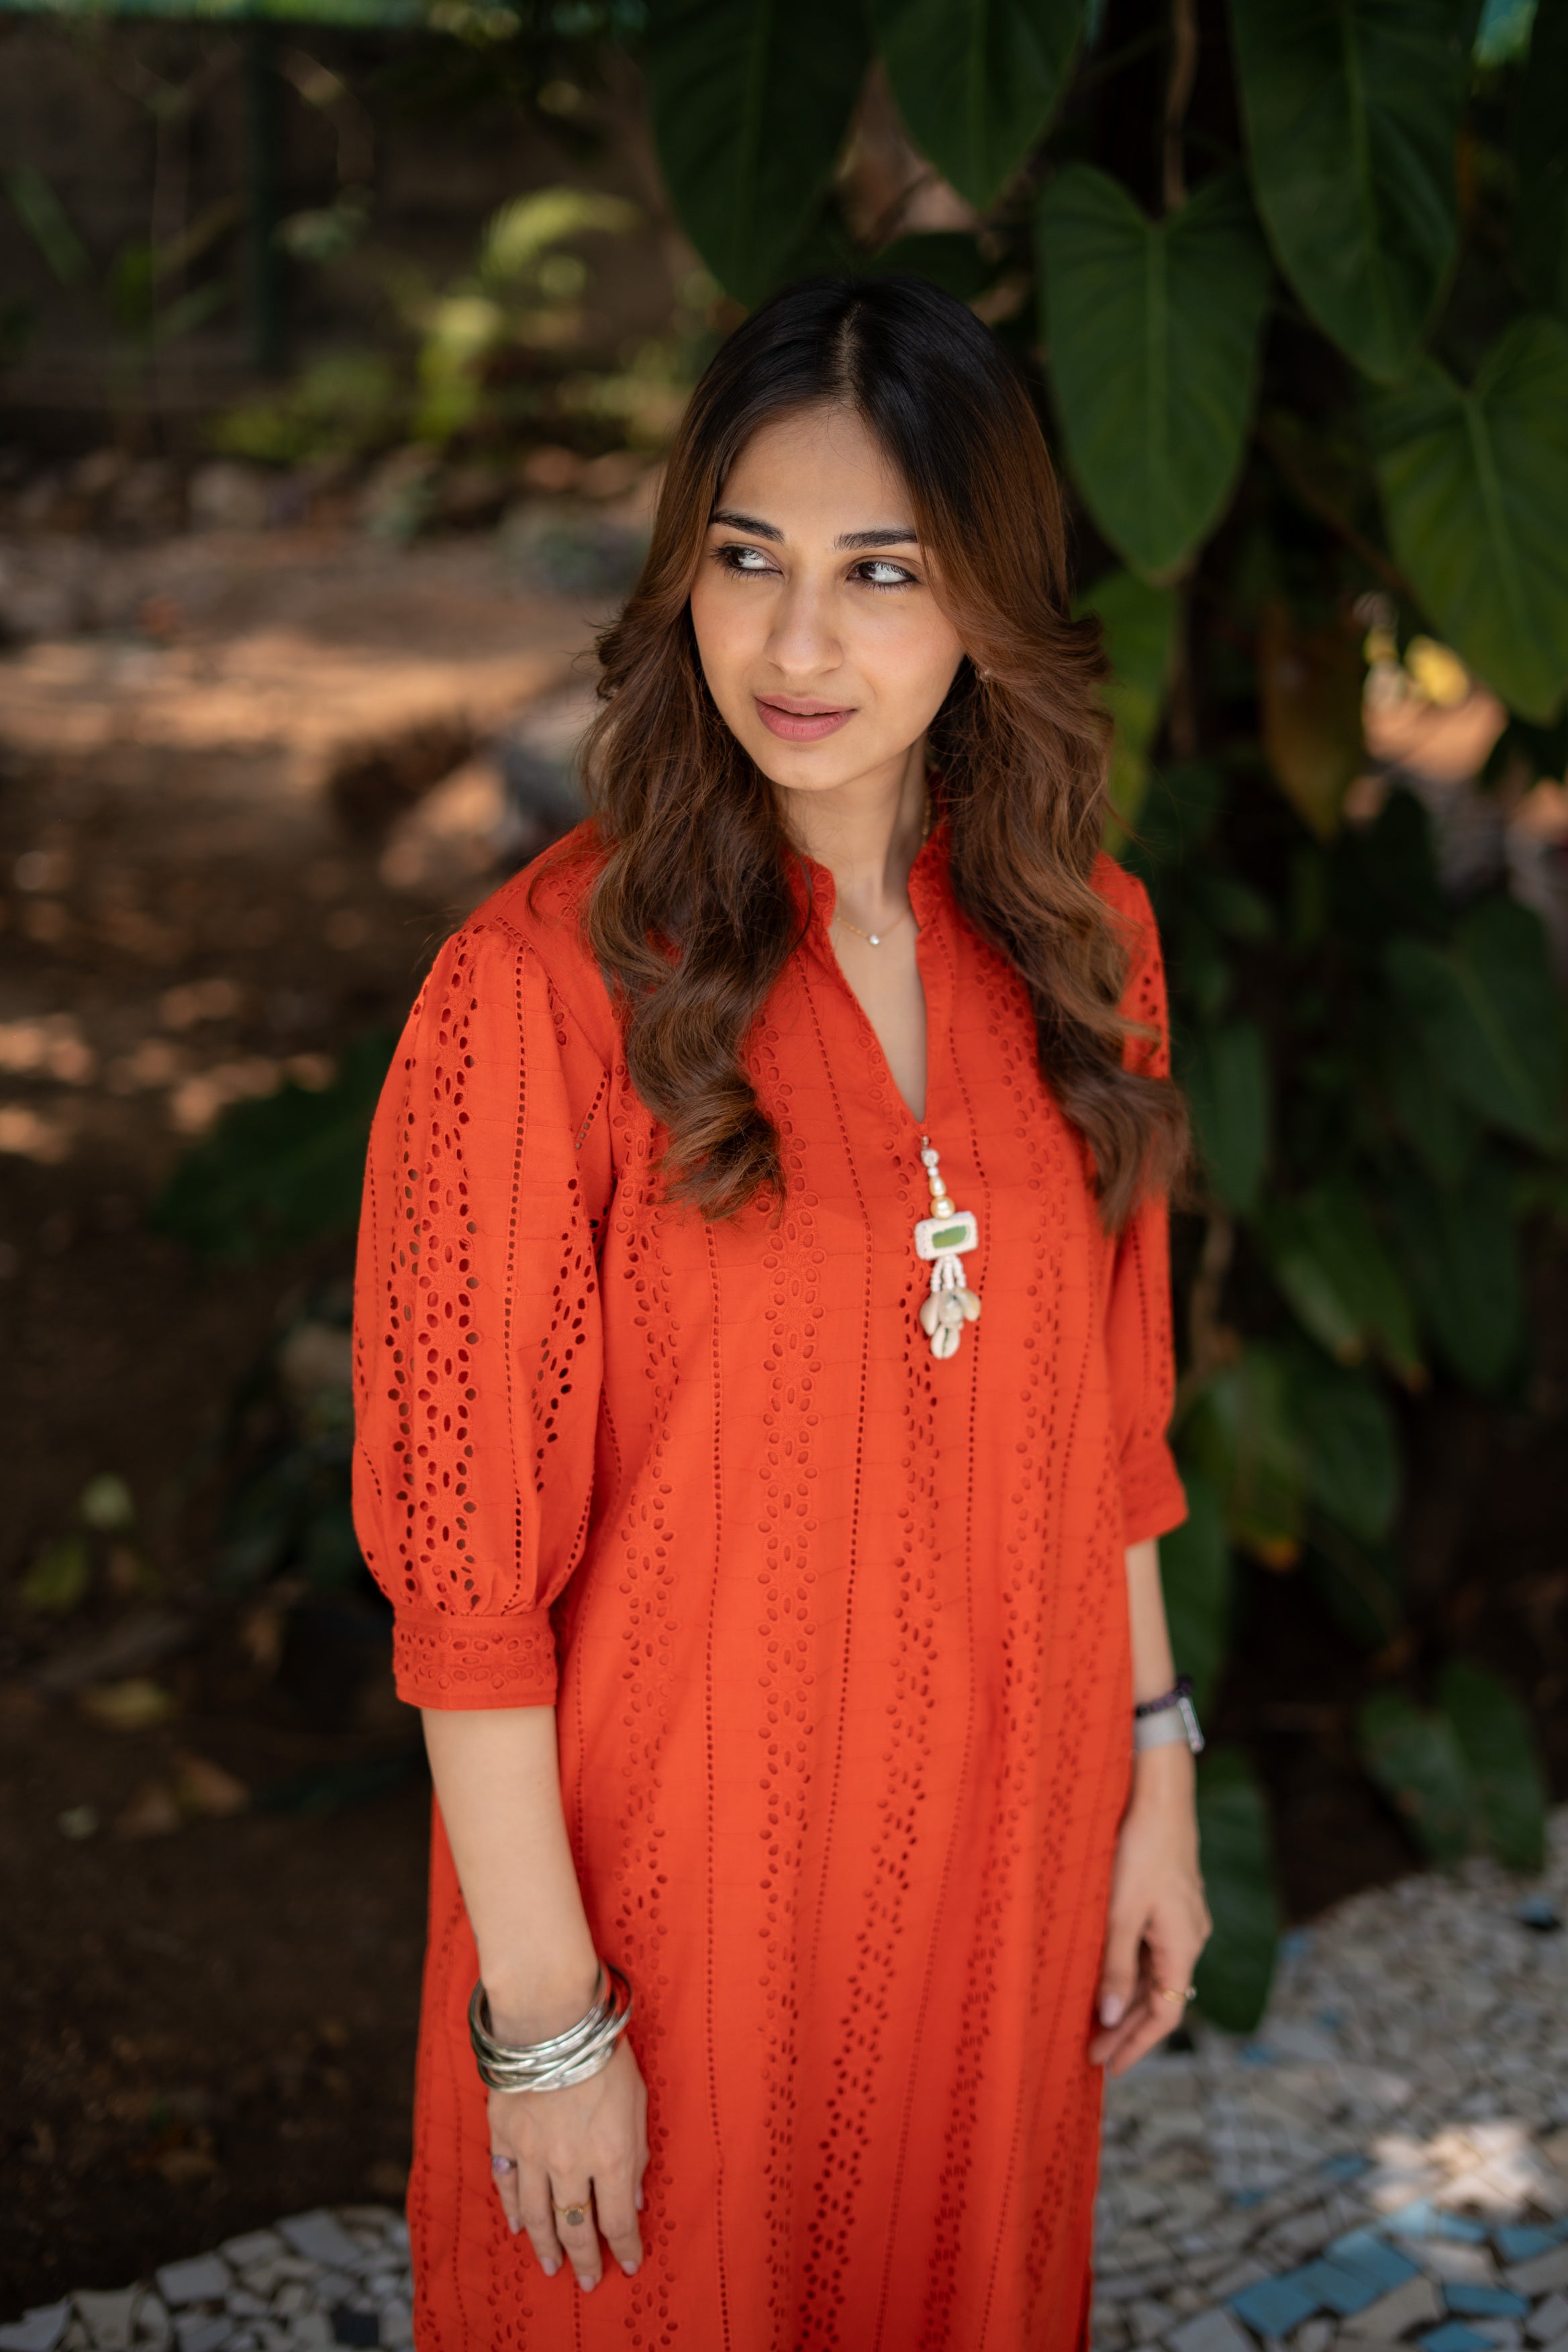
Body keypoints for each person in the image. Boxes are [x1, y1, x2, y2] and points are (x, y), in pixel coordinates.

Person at [351, 273, 1209, 2351]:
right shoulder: (541, 990)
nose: (798, 643)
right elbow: (466, 1580)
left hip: (1000, 1878)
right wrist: (548, 2023)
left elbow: (1103, 1423)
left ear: (988, 600)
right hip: (671, 1912)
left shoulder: (1093, 949)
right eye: (747, 561)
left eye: (878, 573)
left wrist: (1156, 1772)